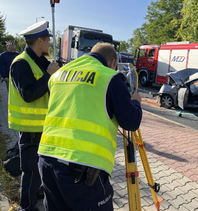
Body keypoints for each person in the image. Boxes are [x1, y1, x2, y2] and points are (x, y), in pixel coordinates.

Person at [37, 43, 142, 211]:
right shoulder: (110, 77)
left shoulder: (59, 74)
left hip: (46, 161)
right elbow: (130, 122)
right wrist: (136, 101)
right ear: (113, 62)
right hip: (81, 170)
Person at [8, 20, 60, 211]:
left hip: (43, 127)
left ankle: (35, 197)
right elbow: (28, 94)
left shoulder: (38, 60)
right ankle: (26, 208)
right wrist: (48, 75)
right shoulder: (21, 63)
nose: (49, 44)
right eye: (47, 40)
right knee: (30, 172)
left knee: (39, 171)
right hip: (30, 129)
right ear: (39, 40)